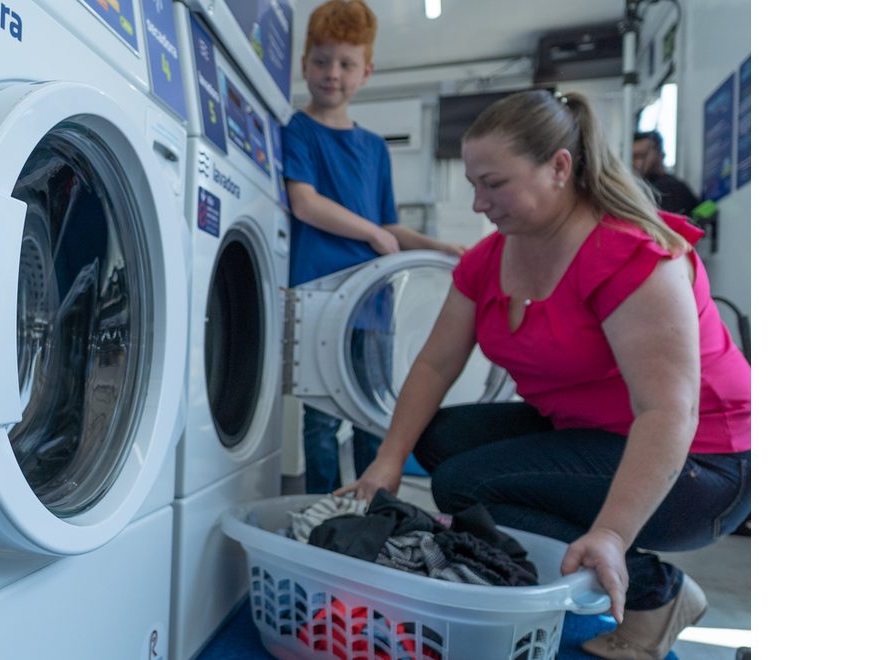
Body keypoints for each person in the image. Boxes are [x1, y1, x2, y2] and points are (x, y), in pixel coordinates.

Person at [337, 90, 750, 660]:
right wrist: (385, 461)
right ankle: (596, 560)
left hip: (706, 466)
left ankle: (658, 591)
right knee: (438, 440)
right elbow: (435, 362)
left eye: (494, 184)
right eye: (474, 184)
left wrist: (612, 533)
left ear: (560, 167)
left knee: (463, 487)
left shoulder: (632, 253)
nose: (480, 203)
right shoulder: (492, 257)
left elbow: (668, 412)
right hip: (595, 431)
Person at [282, 0, 464, 494]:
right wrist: (370, 234)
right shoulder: (299, 131)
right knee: (320, 422)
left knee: (372, 413)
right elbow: (304, 203)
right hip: (319, 294)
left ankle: (372, 506)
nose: (332, 74)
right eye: (321, 61)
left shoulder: (374, 148)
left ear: (366, 72)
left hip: (374, 302)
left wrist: (437, 246)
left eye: (346, 64)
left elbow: (390, 227)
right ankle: (323, 510)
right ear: (304, 65)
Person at [632, 130, 701, 218]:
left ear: (661, 154)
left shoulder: (670, 188)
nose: (633, 162)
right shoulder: (645, 188)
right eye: (631, 157)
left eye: (640, 156)